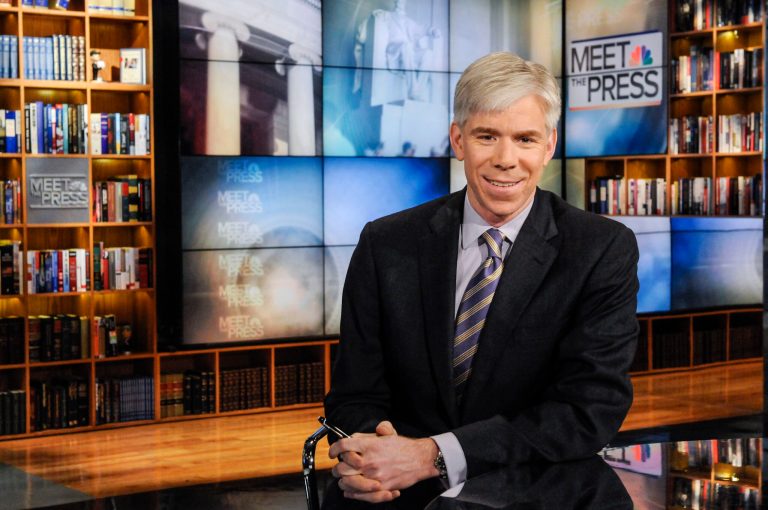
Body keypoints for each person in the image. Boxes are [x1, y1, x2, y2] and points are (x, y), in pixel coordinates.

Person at [324, 52, 639, 507]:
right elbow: (355, 393)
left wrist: (431, 455)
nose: (506, 159)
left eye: (525, 138)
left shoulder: (600, 249)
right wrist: (373, 454)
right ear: (458, 139)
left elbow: (587, 411)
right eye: (486, 136)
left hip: (535, 491)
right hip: (397, 494)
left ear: (549, 145)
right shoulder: (386, 243)